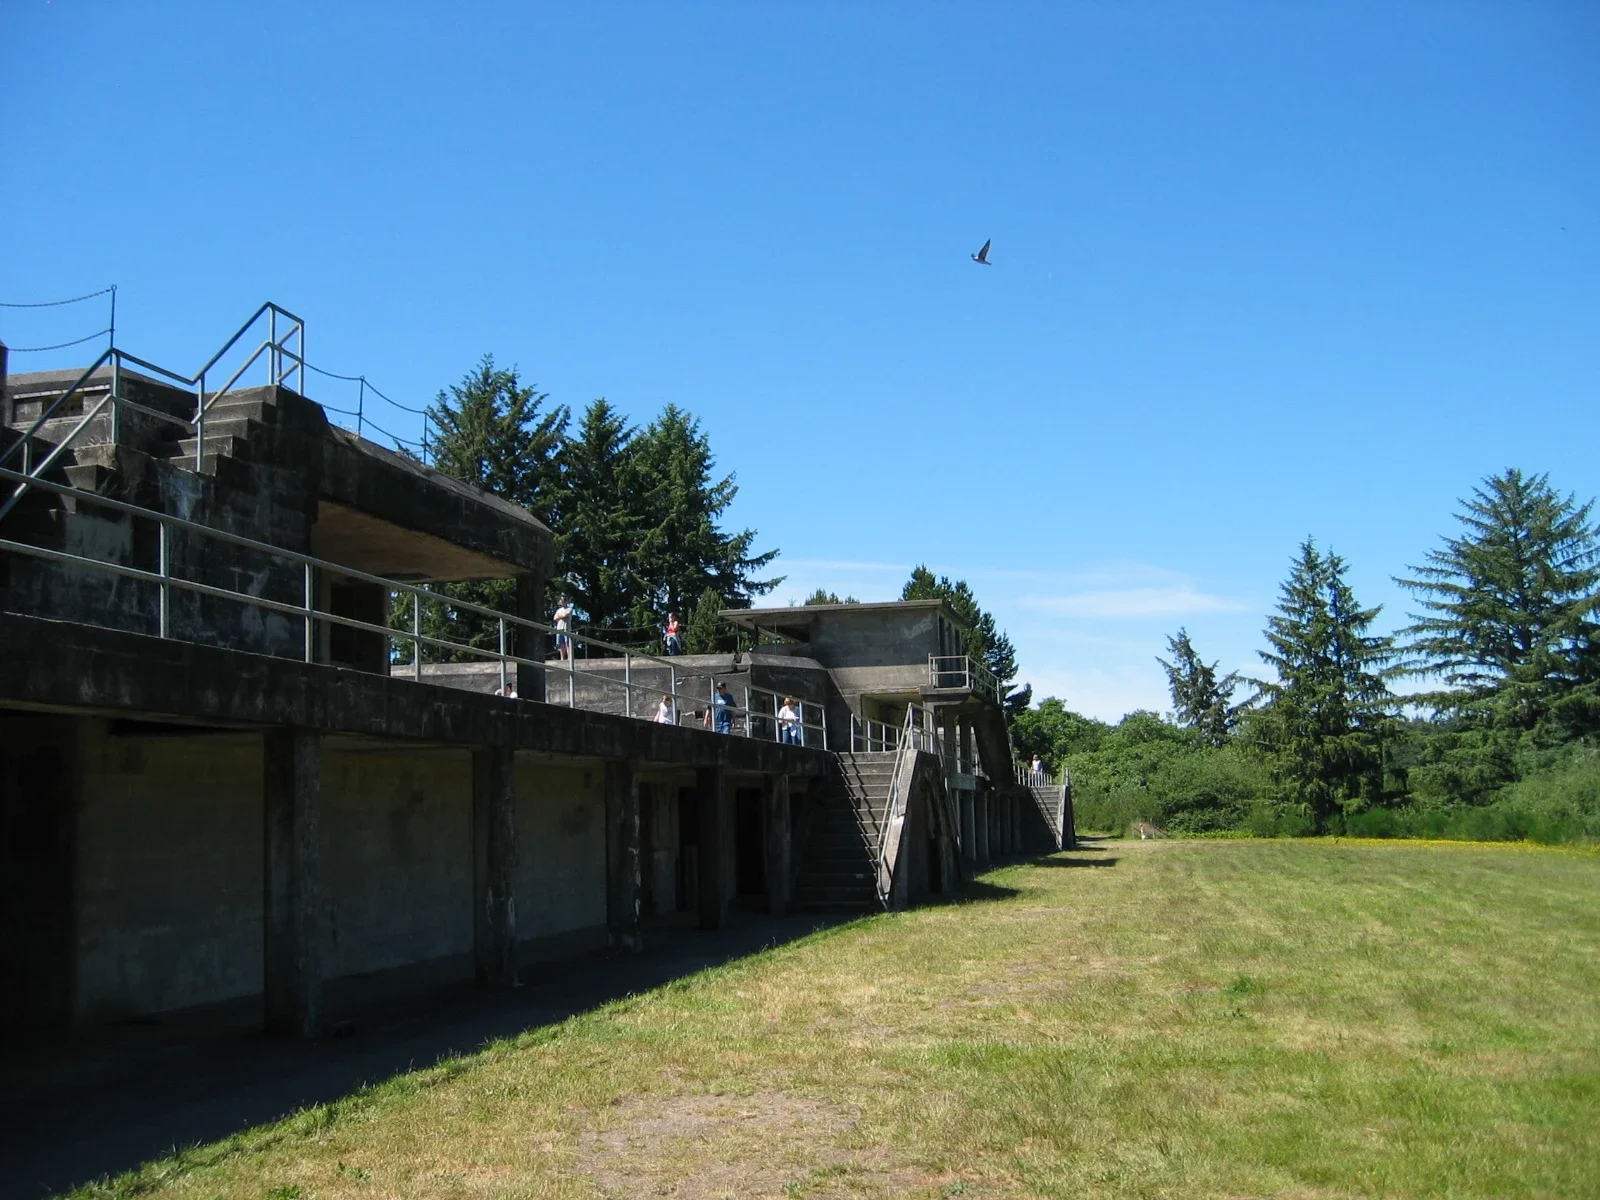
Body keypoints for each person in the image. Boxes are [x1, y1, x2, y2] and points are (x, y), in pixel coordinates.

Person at [552, 596, 573, 661]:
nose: (562, 601)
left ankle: (569, 658)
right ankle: (562, 658)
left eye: (564, 600)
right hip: (559, 628)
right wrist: (562, 616)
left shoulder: (569, 609)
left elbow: (565, 615)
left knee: (567, 644)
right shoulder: (558, 610)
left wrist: (560, 616)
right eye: (561, 600)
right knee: (561, 644)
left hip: (566, 628)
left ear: (566, 601)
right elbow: (555, 618)